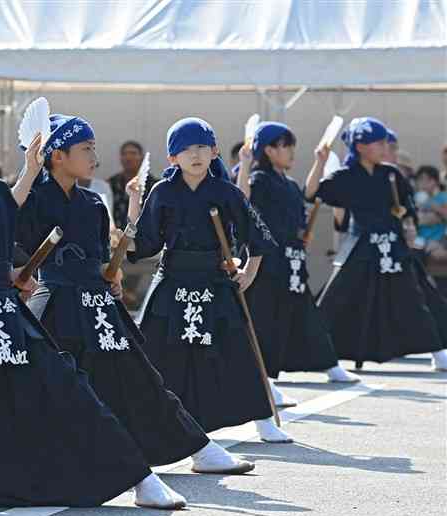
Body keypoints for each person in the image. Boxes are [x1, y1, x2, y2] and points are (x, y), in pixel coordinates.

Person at [0, 91, 187, 512]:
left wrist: (28, 174)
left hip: (5, 313)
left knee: (70, 389)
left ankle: (139, 477)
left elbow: (6, 218)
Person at [14, 112, 255, 475]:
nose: (94, 155)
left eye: (94, 147)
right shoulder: (32, 201)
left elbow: (100, 258)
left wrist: (110, 278)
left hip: (97, 305)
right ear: (57, 155)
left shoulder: (93, 204)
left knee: (141, 379)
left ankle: (196, 447)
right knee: (38, 382)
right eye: (85, 148)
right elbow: (6, 238)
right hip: (54, 304)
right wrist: (15, 271)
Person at [127, 117, 292, 443]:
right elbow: (145, 242)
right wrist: (134, 202)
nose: (195, 154)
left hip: (214, 278)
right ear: (172, 157)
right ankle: (143, 422)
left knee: (238, 349)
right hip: (173, 279)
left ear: (215, 151)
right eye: (185, 149)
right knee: (155, 351)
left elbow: (255, 236)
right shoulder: (162, 192)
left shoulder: (225, 192)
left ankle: (262, 419)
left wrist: (248, 271)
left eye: (202, 146)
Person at [305, 117, 447, 372]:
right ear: (360, 146)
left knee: (414, 300)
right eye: (378, 142)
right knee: (336, 301)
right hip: (361, 246)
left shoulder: (390, 174)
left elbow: (408, 206)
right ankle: (322, 358)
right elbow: (311, 193)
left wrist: (410, 225)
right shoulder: (346, 176)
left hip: (392, 246)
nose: (385, 147)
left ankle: (437, 352)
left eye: (385, 142)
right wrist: (320, 162)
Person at [234, 122, 359, 408]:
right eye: (284, 145)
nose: (291, 151)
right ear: (268, 150)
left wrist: (320, 163)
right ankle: (264, 382)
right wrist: (244, 163)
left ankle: (329, 365)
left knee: (306, 315)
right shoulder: (257, 178)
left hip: (291, 260)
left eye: (291, 145)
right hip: (263, 260)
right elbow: (241, 202)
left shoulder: (288, 184)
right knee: (264, 320)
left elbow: (307, 197)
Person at [108, 140, 158, 229]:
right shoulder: (111, 184)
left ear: (141, 157)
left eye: (133, 153)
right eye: (124, 153)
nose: (128, 157)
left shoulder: (155, 186)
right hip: (117, 238)